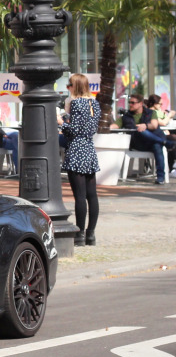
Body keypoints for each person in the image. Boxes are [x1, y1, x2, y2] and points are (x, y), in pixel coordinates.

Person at [61, 74, 101, 245]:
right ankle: (91, 234)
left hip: (77, 150)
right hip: (89, 149)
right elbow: (88, 127)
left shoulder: (76, 103)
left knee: (80, 196)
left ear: (75, 87)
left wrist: (61, 122)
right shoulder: (94, 103)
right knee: (92, 196)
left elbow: (74, 130)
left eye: (69, 85)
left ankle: (80, 235)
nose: (67, 87)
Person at [118, 93, 167, 183]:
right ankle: (164, 142)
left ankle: (161, 178)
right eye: (129, 102)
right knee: (139, 130)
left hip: (151, 143)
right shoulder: (126, 116)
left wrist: (145, 125)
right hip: (137, 144)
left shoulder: (151, 113)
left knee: (157, 145)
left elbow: (154, 125)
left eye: (133, 102)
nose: (130, 105)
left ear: (140, 103)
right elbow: (114, 126)